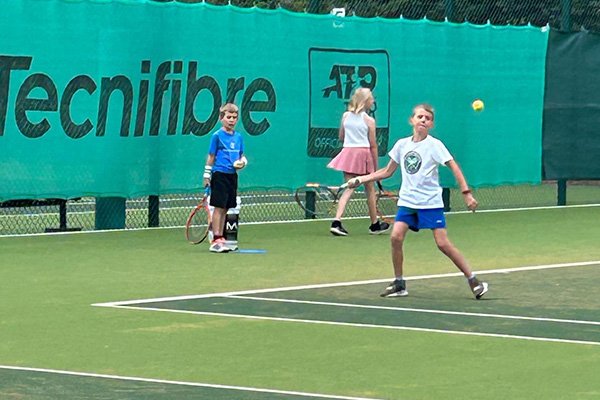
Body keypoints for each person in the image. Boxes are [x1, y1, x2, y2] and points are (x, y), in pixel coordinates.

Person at [347, 103, 489, 299]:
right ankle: (399, 284)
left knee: (442, 244)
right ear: (411, 120)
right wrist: (361, 179)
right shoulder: (402, 145)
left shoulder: (435, 145)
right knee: (396, 237)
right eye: (420, 117)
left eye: (428, 118)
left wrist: (466, 193)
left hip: (430, 203)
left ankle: (474, 280)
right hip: (407, 202)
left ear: (431, 125)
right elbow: (387, 171)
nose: (423, 120)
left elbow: (454, 167)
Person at [327, 87, 390, 236]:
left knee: (349, 188)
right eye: (371, 98)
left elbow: (341, 137)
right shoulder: (369, 121)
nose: (373, 100)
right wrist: (375, 169)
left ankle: (337, 221)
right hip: (363, 154)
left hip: (348, 153)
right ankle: (374, 225)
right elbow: (373, 145)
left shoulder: (345, 116)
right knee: (370, 189)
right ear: (365, 101)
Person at [203, 103, 247, 253]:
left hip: (232, 176)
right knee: (219, 207)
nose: (232, 120)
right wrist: (206, 175)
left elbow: (241, 156)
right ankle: (216, 240)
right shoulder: (217, 136)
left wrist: (243, 162)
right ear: (221, 118)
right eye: (229, 117)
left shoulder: (238, 137)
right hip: (219, 174)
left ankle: (221, 237)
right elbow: (211, 156)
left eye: (234, 117)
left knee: (227, 207)